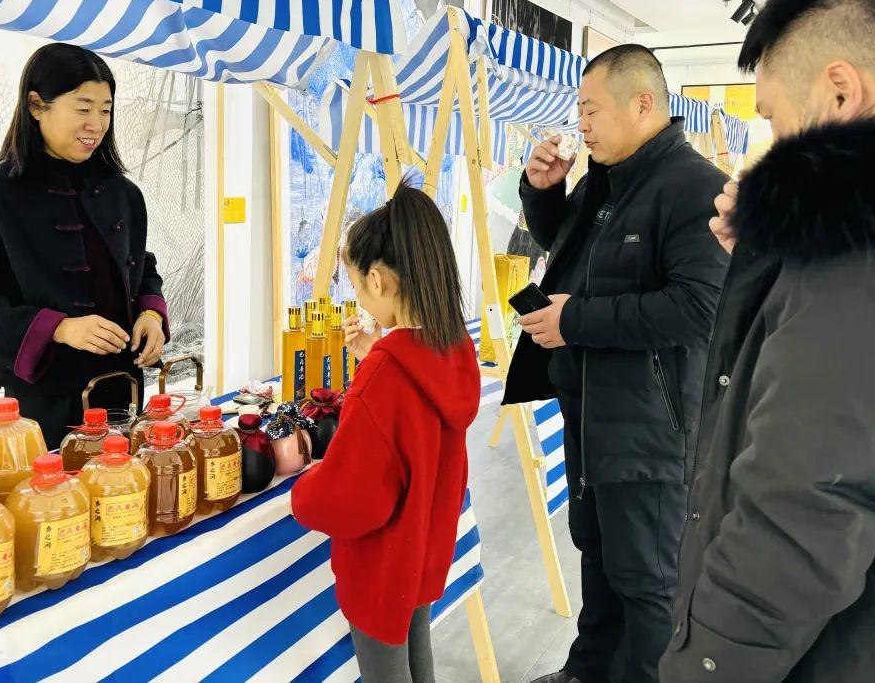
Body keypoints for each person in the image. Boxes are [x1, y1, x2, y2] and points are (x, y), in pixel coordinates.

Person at [659, 0, 875, 683]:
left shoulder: (862, 247)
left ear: (840, 93)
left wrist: (703, 668)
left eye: (776, 119)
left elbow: (799, 514)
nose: (774, 145)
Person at [506, 45, 729, 683]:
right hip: (589, 408)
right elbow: (574, 252)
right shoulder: (607, 180)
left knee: (647, 578)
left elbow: (699, 308)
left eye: (591, 110)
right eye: (579, 111)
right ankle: (587, 670)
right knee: (597, 552)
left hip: (650, 424)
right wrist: (543, 193)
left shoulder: (694, 188)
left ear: (642, 104)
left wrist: (574, 320)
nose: (581, 125)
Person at [291, 182, 480, 683]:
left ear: (377, 280)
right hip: (422, 551)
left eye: (355, 285)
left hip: (381, 564)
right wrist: (375, 353)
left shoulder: (386, 374)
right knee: (418, 662)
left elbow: (354, 499)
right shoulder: (454, 350)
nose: (358, 295)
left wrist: (303, 490)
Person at [0, 43, 169, 448]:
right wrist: (59, 328)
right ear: (35, 105)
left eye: (105, 110)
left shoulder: (123, 193)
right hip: (41, 404)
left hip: (122, 388)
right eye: (83, 108)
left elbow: (139, 264)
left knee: (124, 482)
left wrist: (150, 314)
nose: (96, 124)